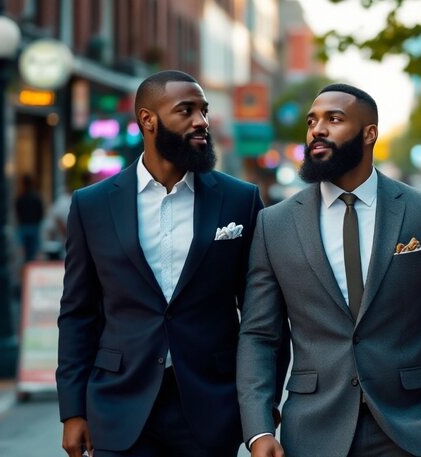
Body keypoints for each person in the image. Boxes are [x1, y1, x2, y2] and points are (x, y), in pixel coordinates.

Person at [237, 83, 421, 457]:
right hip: (313, 431)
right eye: (312, 121)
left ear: (370, 133)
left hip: (411, 428)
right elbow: (259, 334)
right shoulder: (274, 224)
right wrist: (258, 429)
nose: (318, 130)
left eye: (334, 119)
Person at [56, 70, 287, 457]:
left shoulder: (240, 200)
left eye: (204, 110)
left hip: (211, 407)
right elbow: (78, 313)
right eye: (186, 110)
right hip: (119, 407)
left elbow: (264, 316)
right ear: (148, 119)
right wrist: (73, 410)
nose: (201, 121)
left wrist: (262, 412)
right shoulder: (91, 205)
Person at [16, 174, 44, 262]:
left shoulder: (21, 198)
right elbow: (41, 212)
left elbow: (18, 212)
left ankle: (26, 265)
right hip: (34, 226)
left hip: (24, 226)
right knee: (33, 252)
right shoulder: (36, 197)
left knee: (24, 253)